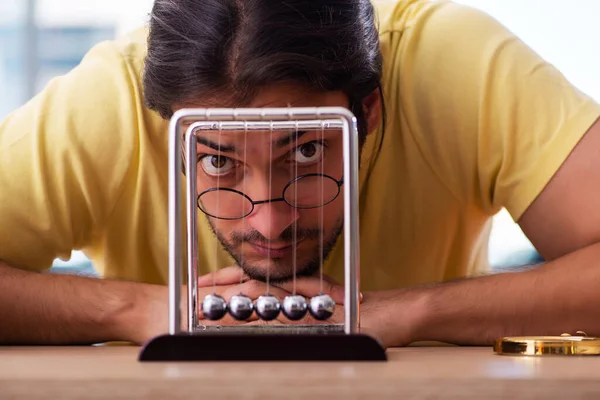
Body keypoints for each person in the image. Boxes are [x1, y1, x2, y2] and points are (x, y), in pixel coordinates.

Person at [0, 0, 599, 348]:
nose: (269, 220)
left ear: (370, 109)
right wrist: (132, 310)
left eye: (307, 153)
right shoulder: (109, 99)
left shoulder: (454, 64)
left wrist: (408, 311)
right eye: (217, 160)